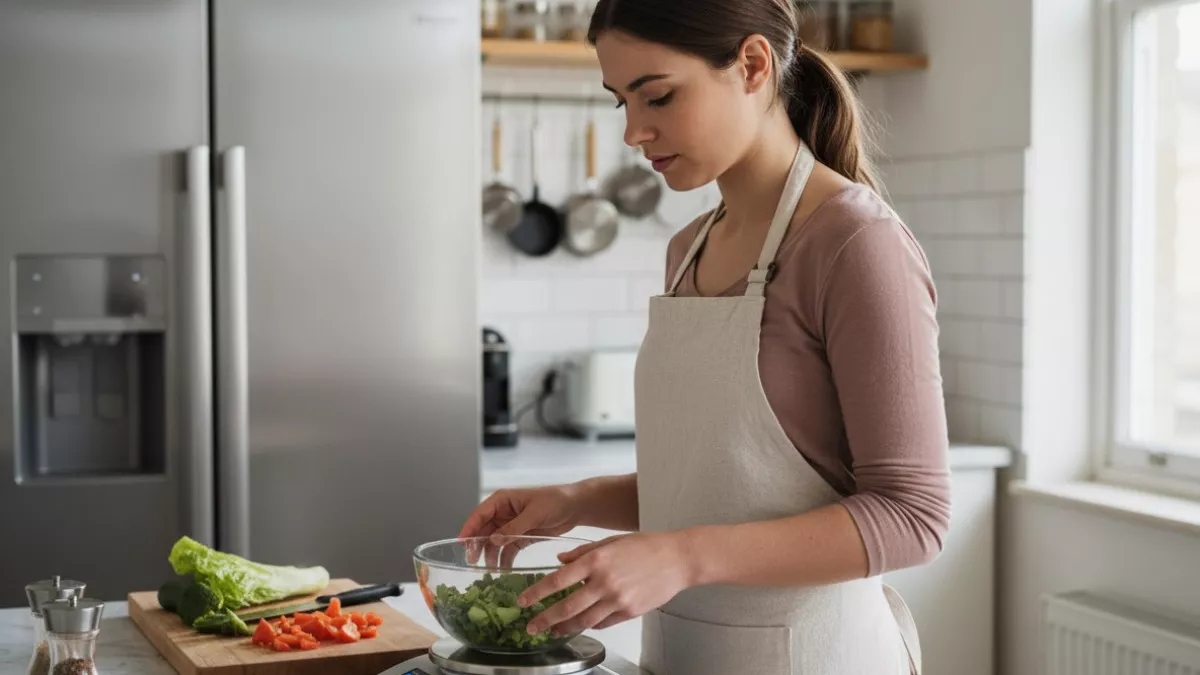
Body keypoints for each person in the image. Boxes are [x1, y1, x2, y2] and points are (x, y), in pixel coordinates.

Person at [459, 0, 950, 672]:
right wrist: (574, 501)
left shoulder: (855, 244)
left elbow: (913, 516)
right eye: (620, 104)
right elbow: (716, 486)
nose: (634, 132)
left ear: (752, 65)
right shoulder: (689, 248)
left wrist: (680, 554)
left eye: (656, 96)